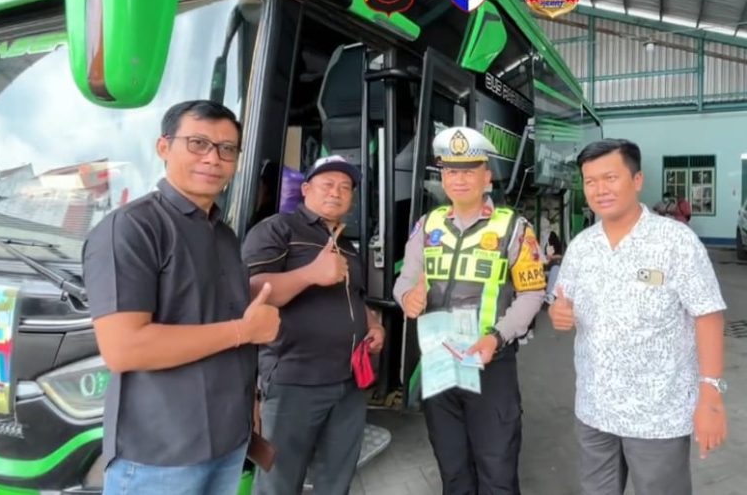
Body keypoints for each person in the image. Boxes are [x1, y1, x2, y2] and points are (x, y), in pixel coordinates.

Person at [82, 100, 281, 495]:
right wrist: (244, 331)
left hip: (228, 441)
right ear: (164, 147)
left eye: (227, 149)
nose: (213, 158)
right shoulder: (133, 228)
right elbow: (124, 348)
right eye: (198, 143)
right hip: (161, 456)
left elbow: (219, 318)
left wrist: (251, 405)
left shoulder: (224, 235)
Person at [549, 139, 727, 495]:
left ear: (637, 180)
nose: (600, 190)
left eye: (610, 178)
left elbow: (708, 314)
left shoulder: (676, 242)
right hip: (595, 410)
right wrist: (559, 313)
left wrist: (710, 396)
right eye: (590, 181)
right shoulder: (582, 246)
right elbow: (562, 302)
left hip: (658, 415)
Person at [393, 126, 547, 494]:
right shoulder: (427, 226)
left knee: (497, 471)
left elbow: (532, 293)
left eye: (468, 170)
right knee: (453, 471)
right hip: (440, 362)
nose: (459, 179)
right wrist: (406, 297)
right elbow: (406, 279)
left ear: (486, 177)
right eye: (451, 171)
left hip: (489, 362)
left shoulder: (513, 228)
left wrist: (497, 337)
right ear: (443, 177)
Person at [242, 154, 385, 495]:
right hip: (295, 381)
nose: (336, 192)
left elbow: (354, 297)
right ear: (306, 189)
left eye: (345, 187)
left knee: (336, 481)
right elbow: (248, 291)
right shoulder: (279, 229)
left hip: (348, 382)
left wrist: (373, 324)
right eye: (328, 184)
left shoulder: (346, 244)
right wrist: (310, 274)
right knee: (279, 482)